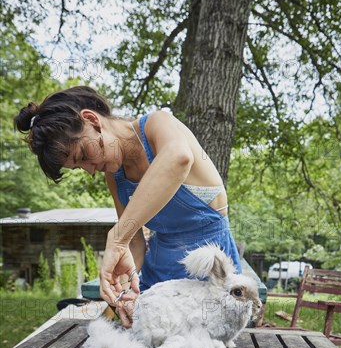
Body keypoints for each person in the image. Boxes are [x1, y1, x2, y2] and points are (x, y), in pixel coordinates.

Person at [14, 86, 242, 326]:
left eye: (82, 155)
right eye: (79, 167)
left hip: (211, 273)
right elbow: (133, 240)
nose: (90, 170)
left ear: (91, 120)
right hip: (159, 277)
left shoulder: (157, 124)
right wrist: (123, 291)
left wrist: (116, 237)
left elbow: (178, 158)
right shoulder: (115, 176)